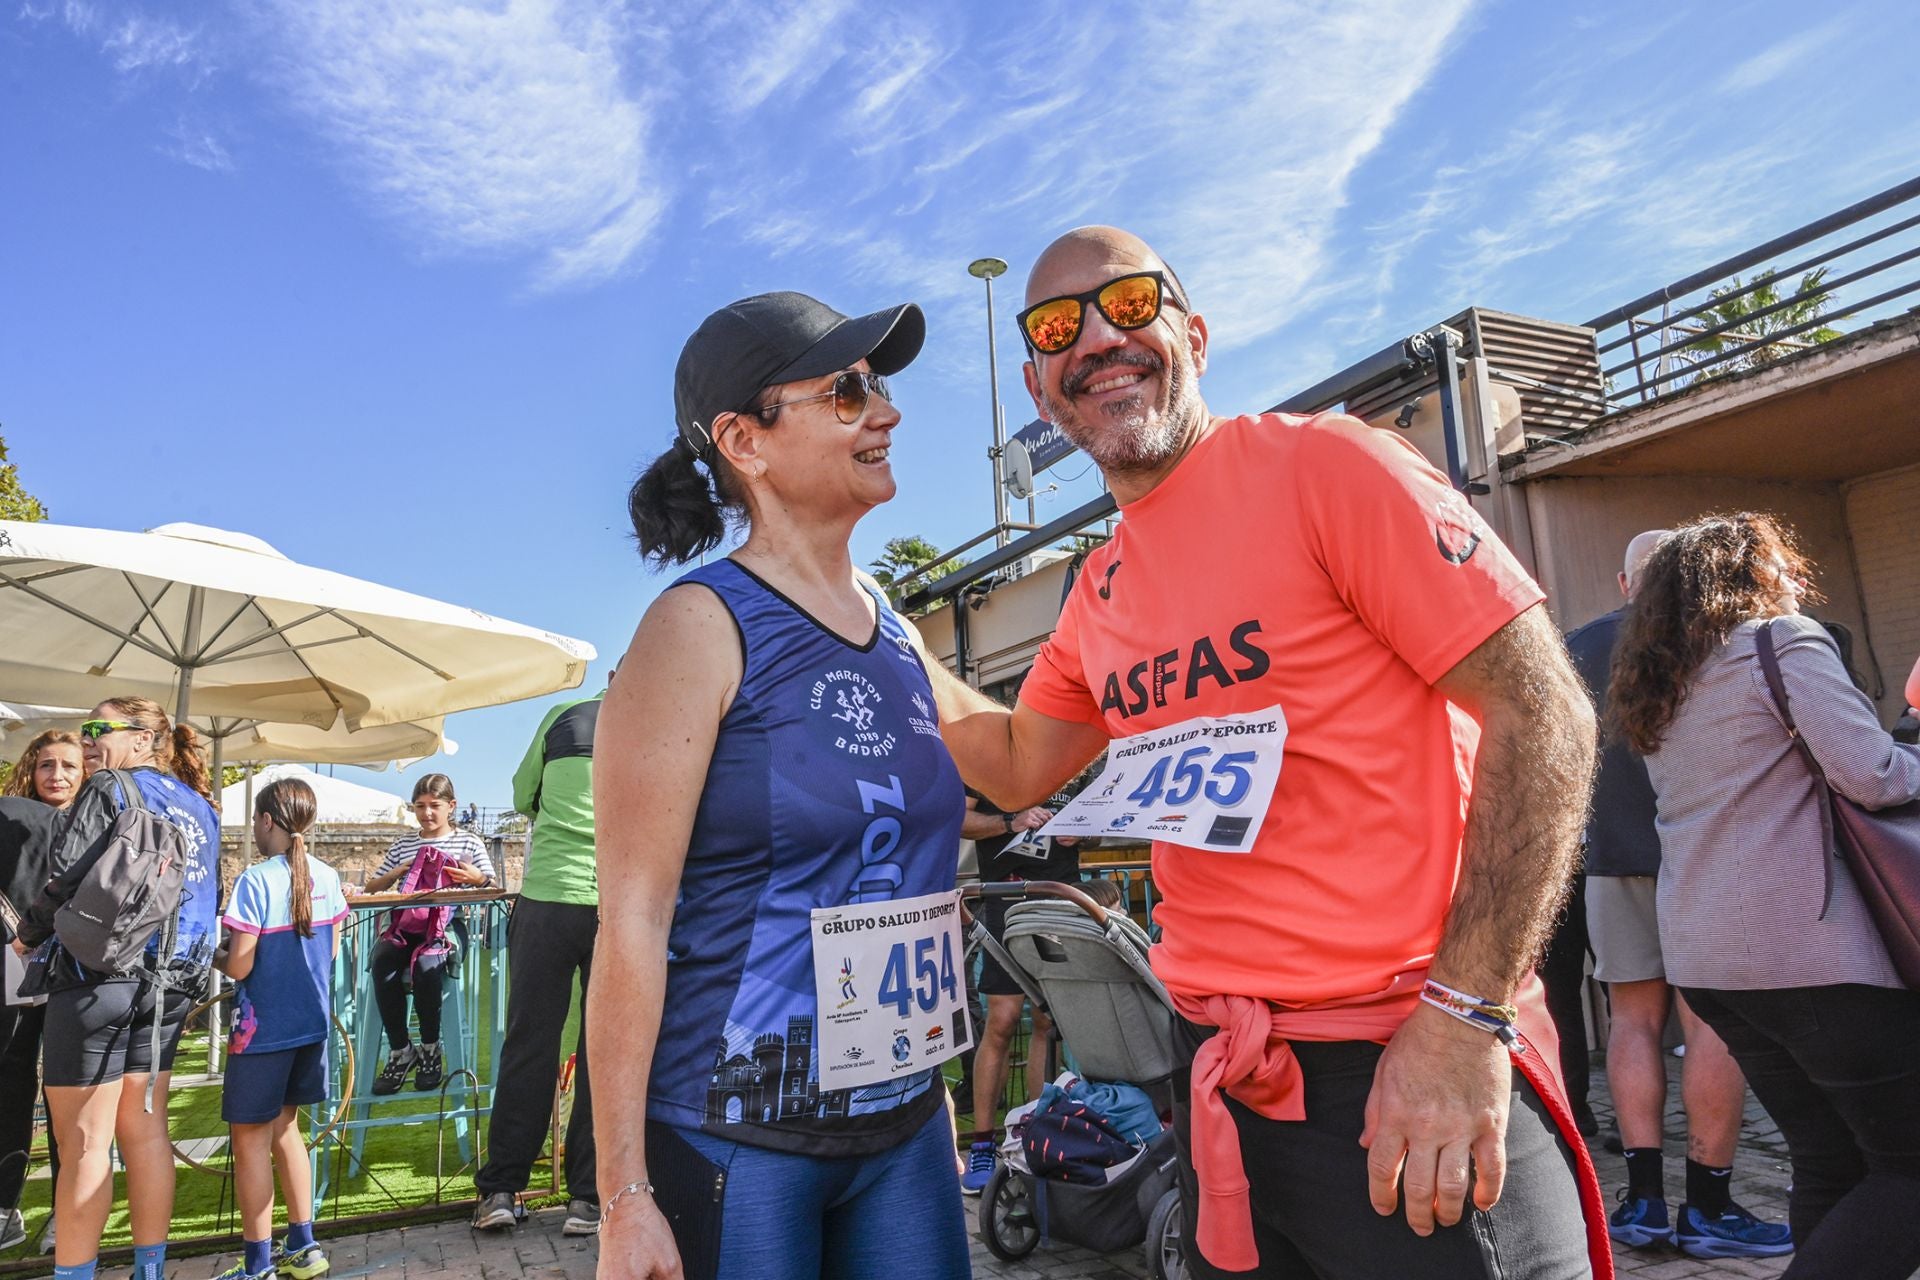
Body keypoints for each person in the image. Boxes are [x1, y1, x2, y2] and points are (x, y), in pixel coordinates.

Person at [919, 227, 1604, 1279]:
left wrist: (1463, 1018)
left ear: (1192, 332)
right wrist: (878, 633)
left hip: (1404, 1060)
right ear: (1039, 386)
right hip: (1224, 1082)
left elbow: (1544, 713)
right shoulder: (1099, 588)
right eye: (1061, 326)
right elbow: (1014, 761)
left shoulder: (1326, 464)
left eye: (1130, 305)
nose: (1099, 336)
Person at [593, 290, 971, 1280]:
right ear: (743, 441)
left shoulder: (895, 627)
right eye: (845, 390)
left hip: (904, 1125)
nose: (883, 409)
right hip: (738, 1136)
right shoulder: (696, 624)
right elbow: (631, 916)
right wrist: (624, 1192)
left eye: (878, 385)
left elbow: (1017, 753)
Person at [1610, 512, 1920, 1278]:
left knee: (1832, 1161)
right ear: (1751, 573)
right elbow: (1872, 775)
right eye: (1783, 565)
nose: (1793, 579)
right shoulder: (1781, 641)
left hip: (1709, 959)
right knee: (1910, 1168)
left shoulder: (1663, 677)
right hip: (1811, 953)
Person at [1566, 531, 1789, 1258]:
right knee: (1710, 1025)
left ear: (1627, 584)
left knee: (1630, 1023)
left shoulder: (1575, 648)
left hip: (1612, 862)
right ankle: (1712, 1207)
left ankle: (1643, 1204)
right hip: (1704, 857)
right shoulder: (1716, 639)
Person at [15, 698, 220, 1280]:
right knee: (146, 1131)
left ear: (141, 738)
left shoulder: (110, 785)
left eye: (99, 729)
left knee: (83, 1144)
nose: (88, 741)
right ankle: (149, 1271)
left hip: (97, 978)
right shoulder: (200, 805)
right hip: (173, 988)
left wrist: (25, 937)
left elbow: (64, 872)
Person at [473, 683, 605, 1236]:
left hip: (547, 898)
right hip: (612, 906)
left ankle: (501, 1189)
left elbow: (524, 793)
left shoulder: (562, 715)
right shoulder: (650, 719)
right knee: (602, 1051)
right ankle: (587, 1199)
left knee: (529, 1044)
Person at [211, 777, 347, 1280]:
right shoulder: (328, 876)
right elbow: (330, 951)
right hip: (309, 1025)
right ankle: (305, 1247)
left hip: (261, 1029)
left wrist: (214, 952)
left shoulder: (254, 880)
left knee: (249, 1140)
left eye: (255, 820)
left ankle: (257, 1266)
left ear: (267, 821)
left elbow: (241, 966)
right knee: (287, 1129)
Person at [958, 789, 1068, 1194]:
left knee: (1048, 1020)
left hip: (1061, 897)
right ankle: (983, 1144)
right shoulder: (988, 759)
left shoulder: (1078, 755)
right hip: (1004, 897)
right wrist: (1011, 821)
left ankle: (1033, 1135)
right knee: (1002, 1021)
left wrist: (1083, 833)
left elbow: (1110, 812)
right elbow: (958, 820)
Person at [0, 729, 83, 1251]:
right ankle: (6, 1208)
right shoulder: (8, 821)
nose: (57, 775)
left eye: (69, 766)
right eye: (46, 765)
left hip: (77, 975)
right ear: (31, 770)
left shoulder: (100, 825)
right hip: (12, 973)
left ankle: (67, 1210)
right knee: (9, 1087)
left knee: (68, 1097)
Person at [362, 774, 494, 1096]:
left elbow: (491, 885)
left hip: (448, 927)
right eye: (420, 806)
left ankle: (431, 1048)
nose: (427, 813)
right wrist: (399, 871)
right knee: (382, 962)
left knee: (428, 964)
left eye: (434, 806)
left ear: (451, 806)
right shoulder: (404, 844)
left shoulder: (469, 842)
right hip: (406, 926)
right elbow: (371, 888)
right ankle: (401, 1050)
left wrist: (476, 878)